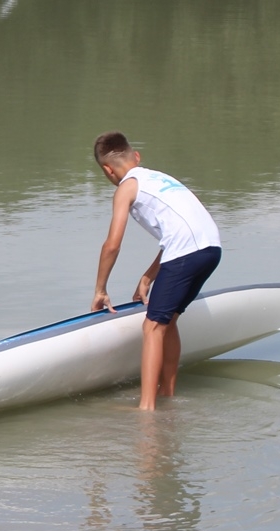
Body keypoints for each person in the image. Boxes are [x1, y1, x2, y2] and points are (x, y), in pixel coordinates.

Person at [90, 131, 221, 411]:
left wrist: (100, 289)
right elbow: (180, 231)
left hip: (186, 252)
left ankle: (146, 409)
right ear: (136, 156)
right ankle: (167, 394)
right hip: (211, 249)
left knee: (151, 327)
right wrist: (149, 276)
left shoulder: (126, 188)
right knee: (167, 322)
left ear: (108, 170)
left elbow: (112, 245)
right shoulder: (160, 179)